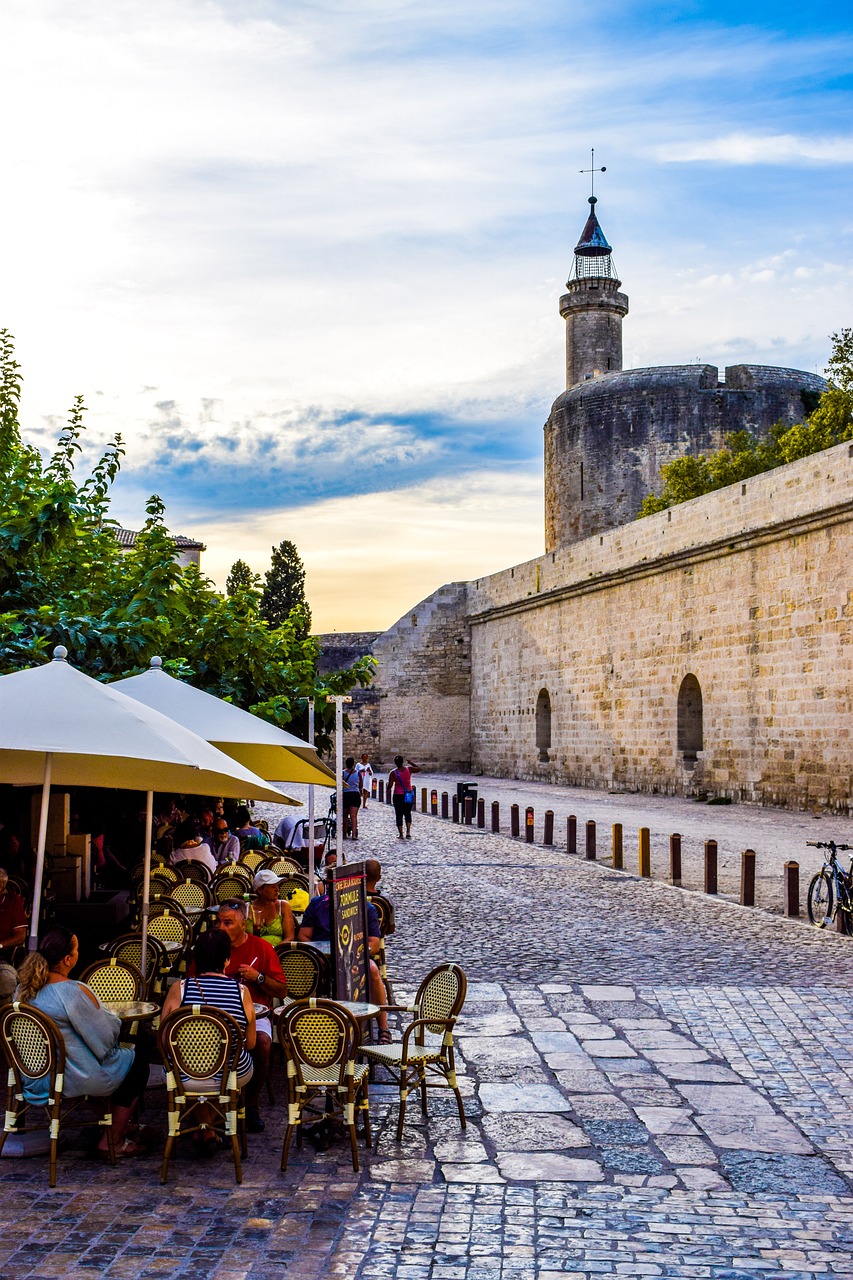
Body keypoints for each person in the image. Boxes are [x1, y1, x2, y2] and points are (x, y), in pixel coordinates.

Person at [13, 926, 150, 1156]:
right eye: (76, 950)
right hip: (70, 1078)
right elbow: (105, 1037)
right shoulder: (73, 992)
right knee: (136, 1062)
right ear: (68, 959)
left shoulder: (22, 990)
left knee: (97, 1054)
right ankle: (112, 1140)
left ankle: (114, 1123)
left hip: (35, 1077)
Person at [161, 928, 255, 1152]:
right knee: (227, 1066)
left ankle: (204, 1128)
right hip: (230, 1073)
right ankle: (209, 1129)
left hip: (185, 1075)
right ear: (227, 959)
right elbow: (250, 1043)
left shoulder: (179, 989)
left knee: (193, 1072)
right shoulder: (241, 992)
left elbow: (164, 1038)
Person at [215, 901, 287, 1132]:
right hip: (217, 1012)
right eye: (219, 922)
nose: (221, 928)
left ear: (243, 924)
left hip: (256, 1013)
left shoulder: (262, 948)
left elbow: (281, 990)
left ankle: (251, 1104)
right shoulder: (210, 947)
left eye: (228, 923)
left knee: (263, 1044)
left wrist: (259, 978)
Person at [298, 873, 391, 1043]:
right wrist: (316, 952)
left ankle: (383, 1027)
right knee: (305, 970)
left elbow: (374, 943)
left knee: (372, 971)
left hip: (355, 958)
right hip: (322, 959)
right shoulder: (316, 905)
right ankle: (306, 1025)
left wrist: (360, 953)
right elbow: (304, 935)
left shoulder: (366, 908)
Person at [247, 870, 296, 944]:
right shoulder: (246, 908)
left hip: (279, 952)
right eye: (272, 887)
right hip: (253, 952)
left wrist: (273, 952)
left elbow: (290, 937)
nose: (277, 890)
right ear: (260, 890)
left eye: (277, 886)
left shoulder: (283, 906)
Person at [387, 755, 421, 839]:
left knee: (399, 814)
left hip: (398, 795)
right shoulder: (409, 769)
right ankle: (408, 831)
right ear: (402, 762)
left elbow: (390, 785)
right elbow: (418, 768)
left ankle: (401, 834)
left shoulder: (393, 772)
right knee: (407, 813)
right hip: (408, 795)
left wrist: (388, 787)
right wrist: (410, 762)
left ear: (395, 763)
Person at [365, 858, 396, 935]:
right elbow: (391, 929)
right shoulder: (386, 899)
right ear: (379, 878)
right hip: (378, 942)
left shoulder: (353, 898)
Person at [341, 758, 361, 839]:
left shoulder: (343, 773)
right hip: (355, 795)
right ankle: (354, 835)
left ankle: (344, 833)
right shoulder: (358, 773)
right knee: (353, 816)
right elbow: (361, 785)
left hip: (346, 795)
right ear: (353, 764)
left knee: (345, 816)